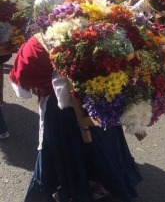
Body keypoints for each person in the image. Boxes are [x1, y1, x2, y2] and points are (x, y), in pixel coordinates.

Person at [9, 34, 142, 201]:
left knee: (66, 154)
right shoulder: (100, 31)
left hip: (60, 114)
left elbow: (22, 91)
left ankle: (73, 190)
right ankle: (103, 182)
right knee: (102, 147)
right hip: (100, 106)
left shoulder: (35, 45)